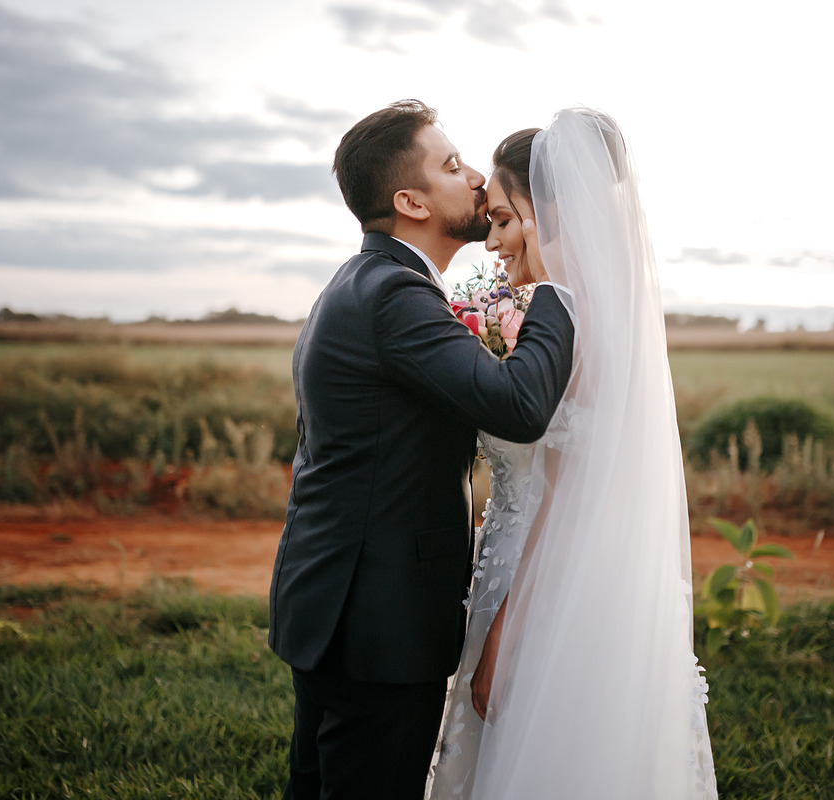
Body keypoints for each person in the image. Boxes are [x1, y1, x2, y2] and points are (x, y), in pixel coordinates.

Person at [267, 99, 575, 800]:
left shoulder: (367, 283)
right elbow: (520, 406)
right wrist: (556, 289)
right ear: (409, 201)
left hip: (342, 605)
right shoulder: (393, 296)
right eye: (451, 164)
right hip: (375, 622)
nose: (475, 180)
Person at [426, 109, 717, 799]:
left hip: (548, 582)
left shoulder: (566, 320)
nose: (491, 241)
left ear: (540, 213)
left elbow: (562, 494)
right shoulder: (579, 312)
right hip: (561, 568)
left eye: (501, 219)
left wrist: (504, 636)